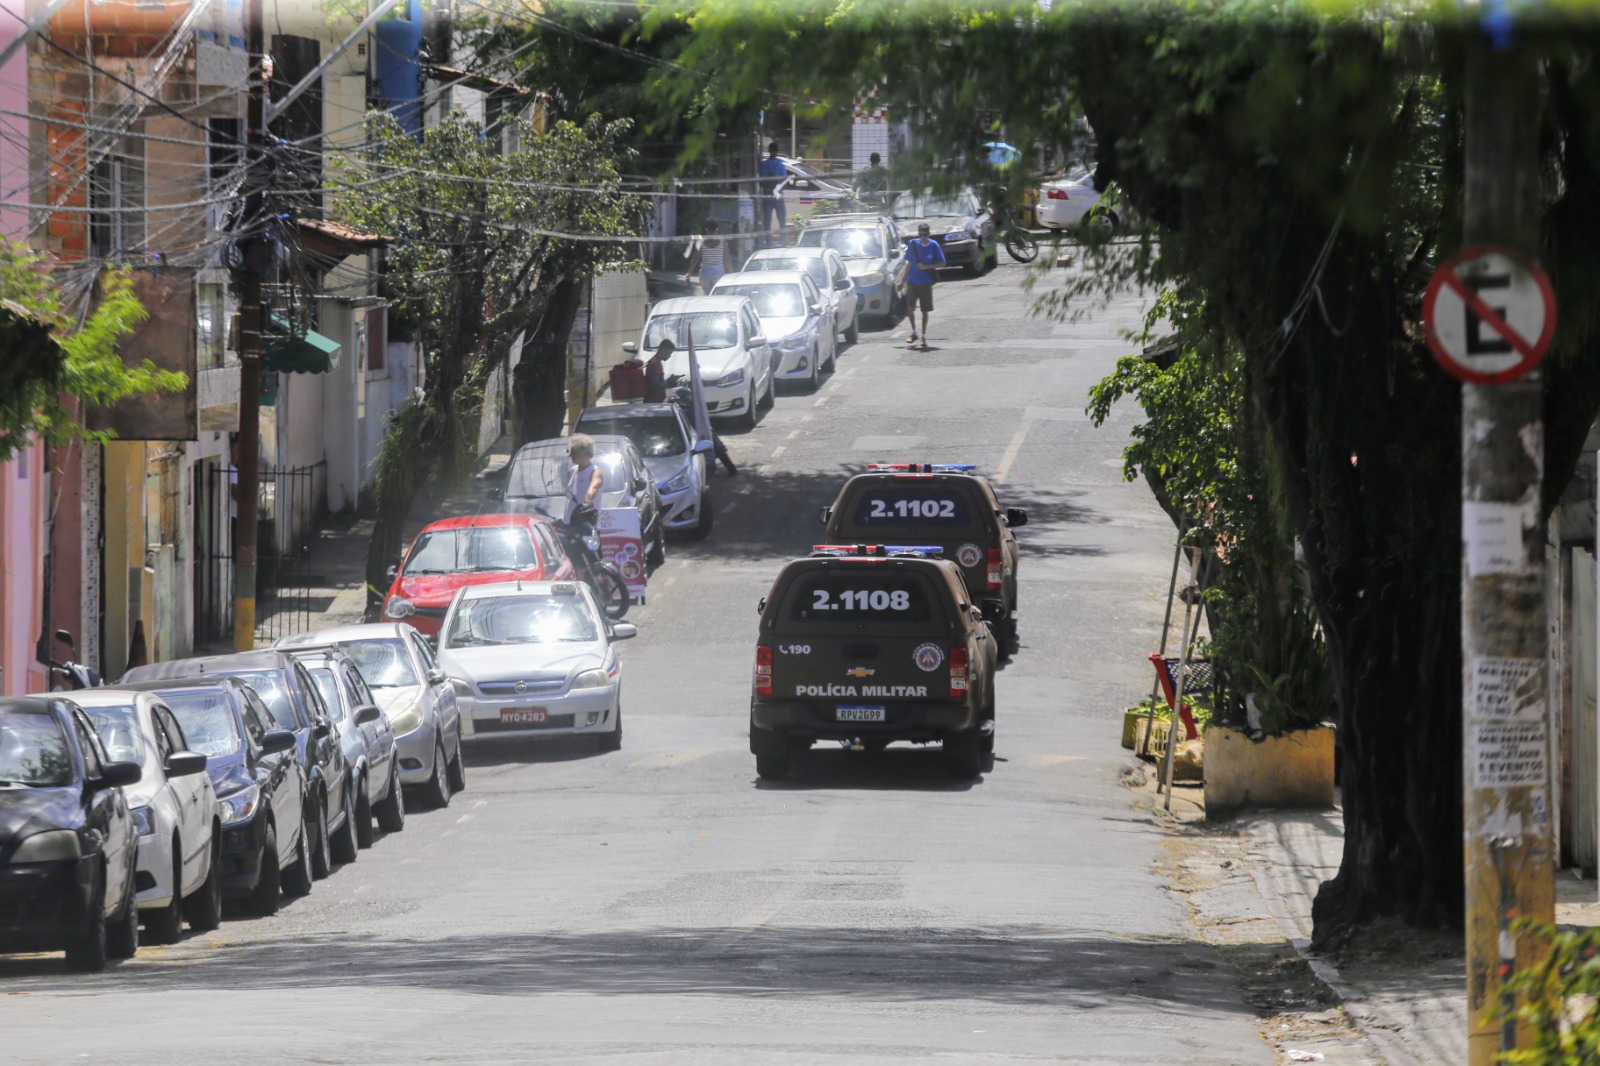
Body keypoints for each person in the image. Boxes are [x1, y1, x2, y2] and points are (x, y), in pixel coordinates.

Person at [904, 222, 947, 350]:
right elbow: (909, 263)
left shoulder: (934, 245)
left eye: (925, 234)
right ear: (918, 234)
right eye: (921, 234)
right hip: (912, 281)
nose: (923, 236)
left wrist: (927, 266)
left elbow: (942, 263)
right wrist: (902, 280)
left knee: (925, 310)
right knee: (909, 308)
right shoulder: (913, 244)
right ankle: (914, 332)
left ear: (928, 234)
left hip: (925, 282)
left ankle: (923, 335)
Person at [566, 433, 605, 533]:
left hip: (587, 526)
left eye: (574, 452)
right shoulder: (572, 471)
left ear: (584, 453)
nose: (571, 455)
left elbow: (594, 486)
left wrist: (588, 499)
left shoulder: (595, 471)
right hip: (570, 523)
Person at [682, 218, 727, 294]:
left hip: (705, 272)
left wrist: (689, 273)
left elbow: (695, 259)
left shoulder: (701, 242)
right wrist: (732, 273)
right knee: (719, 296)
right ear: (717, 230)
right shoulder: (723, 243)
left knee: (707, 295)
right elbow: (727, 260)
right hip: (719, 272)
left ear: (707, 230)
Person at [757, 141, 789, 248]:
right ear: (777, 151)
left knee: (767, 222)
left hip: (766, 197)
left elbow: (760, 182)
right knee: (782, 221)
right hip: (778, 197)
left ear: (769, 151)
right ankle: (783, 242)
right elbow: (785, 182)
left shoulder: (762, 165)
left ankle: (769, 243)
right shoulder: (780, 165)